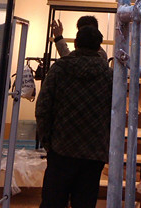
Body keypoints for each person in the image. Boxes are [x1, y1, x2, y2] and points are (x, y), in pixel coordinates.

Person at [36, 25, 113, 208]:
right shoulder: (110, 75)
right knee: (85, 203)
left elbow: (43, 108)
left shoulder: (60, 69)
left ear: (76, 43)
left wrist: (47, 141)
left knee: (53, 202)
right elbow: (116, 113)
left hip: (61, 148)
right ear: (99, 47)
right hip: (94, 152)